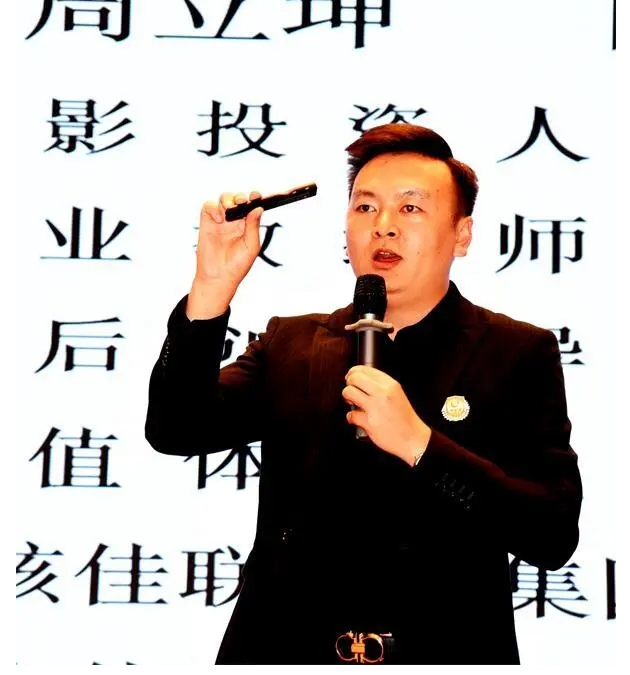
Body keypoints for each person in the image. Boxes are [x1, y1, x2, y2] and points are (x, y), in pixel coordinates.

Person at [145, 123, 582, 665]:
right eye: (366, 207)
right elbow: (175, 428)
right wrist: (211, 288)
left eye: (410, 208)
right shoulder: (292, 343)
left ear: (462, 235)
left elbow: (552, 532)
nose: (384, 226)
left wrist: (422, 445)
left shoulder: (516, 351)